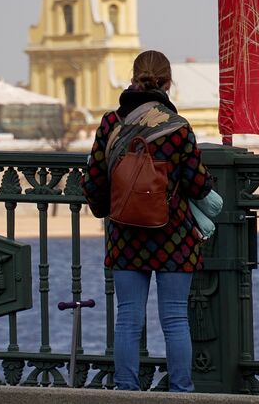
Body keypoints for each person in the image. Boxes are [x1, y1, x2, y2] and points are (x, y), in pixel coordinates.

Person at [82, 50, 213, 392]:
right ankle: (180, 393)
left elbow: (95, 180)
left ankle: (126, 391)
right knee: (174, 319)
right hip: (172, 235)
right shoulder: (178, 128)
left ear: (132, 78)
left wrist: (104, 211)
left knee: (127, 320)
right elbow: (197, 184)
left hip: (125, 233)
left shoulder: (111, 124)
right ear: (168, 83)